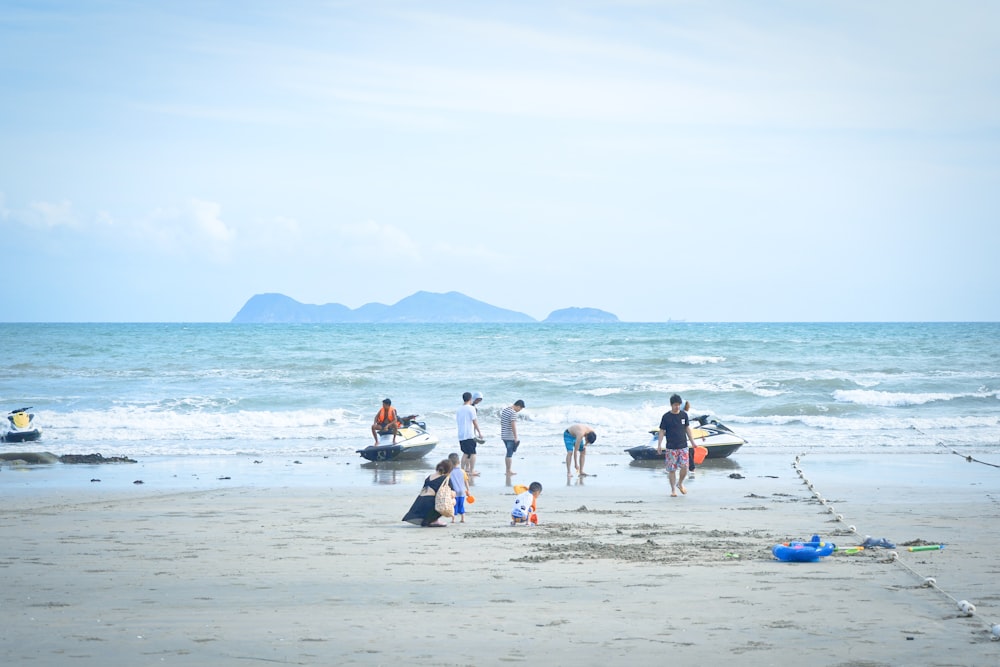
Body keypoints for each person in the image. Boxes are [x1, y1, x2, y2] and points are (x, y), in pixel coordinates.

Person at [656, 394, 700, 497]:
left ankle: (680, 483)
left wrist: (693, 442)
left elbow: (687, 429)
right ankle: (673, 490)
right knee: (672, 470)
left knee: (685, 466)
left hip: (683, 446)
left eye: (679, 405)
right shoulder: (666, 417)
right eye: (675, 405)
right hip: (671, 447)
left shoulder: (684, 415)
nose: (677, 407)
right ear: (671, 405)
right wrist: (659, 445)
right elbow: (662, 431)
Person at [402, 459, 454, 527]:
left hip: (419, 503)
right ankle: (434, 520)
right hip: (430, 504)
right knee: (452, 501)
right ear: (448, 470)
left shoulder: (429, 477)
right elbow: (452, 493)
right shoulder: (445, 479)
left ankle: (429, 520)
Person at [457, 392, 484, 477]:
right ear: (470, 398)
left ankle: (462, 470)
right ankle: (471, 471)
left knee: (465, 453)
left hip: (461, 435)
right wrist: (479, 432)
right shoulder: (471, 408)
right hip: (469, 434)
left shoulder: (459, 409)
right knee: (473, 453)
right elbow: (474, 421)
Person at [499, 399, 525, 476]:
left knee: (509, 452)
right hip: (510, 436)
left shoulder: (505, 410)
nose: (519, 410)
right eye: (520, 409)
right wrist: (516, 437)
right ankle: (508, 470)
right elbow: (513, 425)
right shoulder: (513, 412)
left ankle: (508, 470)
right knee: (509, 453)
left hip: (504, 435)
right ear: (518, 406)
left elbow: (502, 422)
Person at [447, 452, 469, 523]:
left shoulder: (449, 472)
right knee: (461, 504)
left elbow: (447, 482)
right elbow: (466, 481)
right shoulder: (462, 471)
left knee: (453, 505)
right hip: (462, 491)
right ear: (459, 462)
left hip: (454, 492)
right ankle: (463, 518)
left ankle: (453, 519)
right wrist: (468, 490)